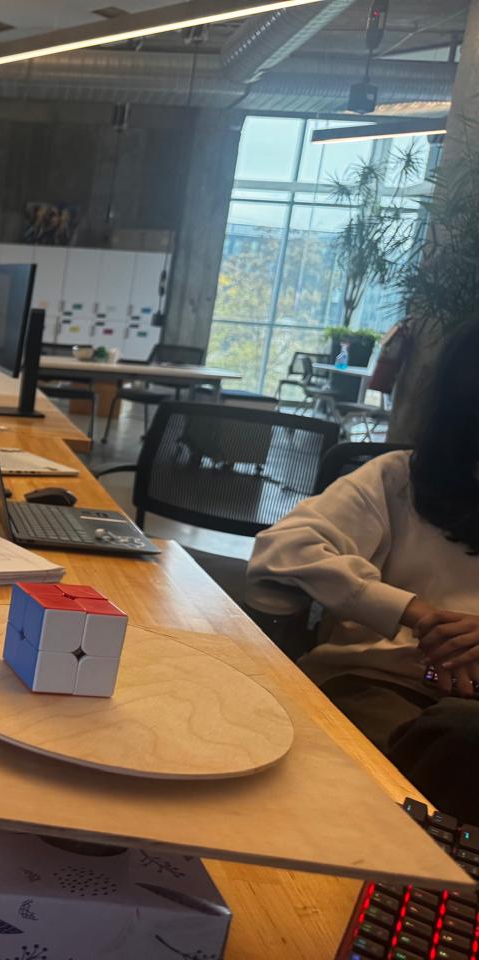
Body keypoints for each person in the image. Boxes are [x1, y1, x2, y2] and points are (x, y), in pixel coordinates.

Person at [247, 320, 479, 821]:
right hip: (383, 680)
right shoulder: (400, 479)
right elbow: (284, 547)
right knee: (456, 742)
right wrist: (414, 612)